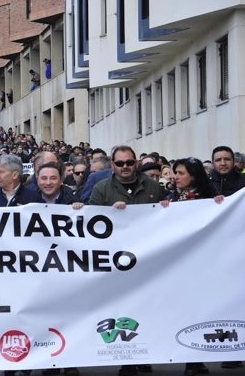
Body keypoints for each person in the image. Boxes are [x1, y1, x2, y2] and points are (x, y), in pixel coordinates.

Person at [87, 146, 163, 376]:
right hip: (116, 262)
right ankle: (127, 360)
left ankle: (146, 355)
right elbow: (91, 222)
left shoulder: (153, 187)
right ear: (113, 165)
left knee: (147, 307)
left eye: (129, 162)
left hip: (148, 259)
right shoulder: (101, 189)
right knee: (123, 310)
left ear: (136, 163)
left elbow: (166, 219)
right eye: (120, 164)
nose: (125, 167)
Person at [160, 158, 223, 376]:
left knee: (200, 312)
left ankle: (198, 359)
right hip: (179, 268)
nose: (175, 176)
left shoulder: (209, 200)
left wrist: (221, 205)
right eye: (174, 172)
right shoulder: (171, 199)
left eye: (180, 173)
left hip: (203, 266)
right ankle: (189, 358)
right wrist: (163, 209)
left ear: (193, 176)